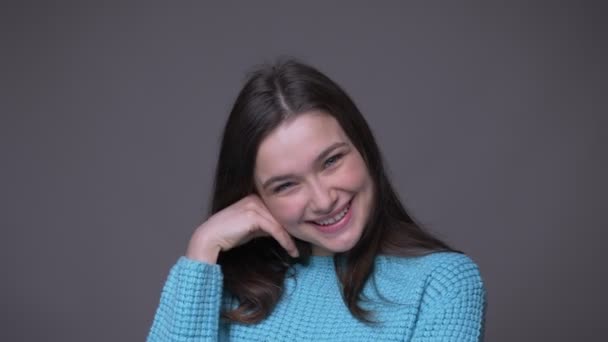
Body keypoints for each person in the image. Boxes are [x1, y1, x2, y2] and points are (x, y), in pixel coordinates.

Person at [147, 59, 486, 341]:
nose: (323, 201)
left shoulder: (442, 283)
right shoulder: (215, 282)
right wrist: (202, 247)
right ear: (254, 196)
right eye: (286, 185)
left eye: (331, 161)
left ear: (363, 148)